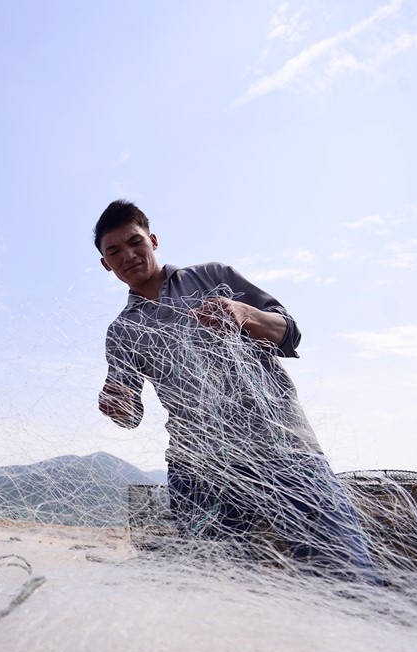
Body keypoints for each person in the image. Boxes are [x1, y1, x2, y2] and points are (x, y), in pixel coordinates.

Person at [94, 199, 379, 583]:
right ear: (105, 264)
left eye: (134, 242)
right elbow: (130, 414)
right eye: (114, 251)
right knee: (220, 594)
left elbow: (288, 332)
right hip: (196, 471)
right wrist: (116, 405)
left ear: (154, 240)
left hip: (281, 448)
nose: (128, 255)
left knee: (346, 573)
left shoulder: (214, 276)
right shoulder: (121, 331)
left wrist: (244, 314)